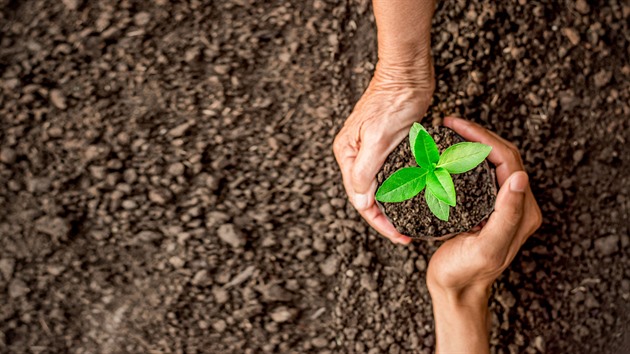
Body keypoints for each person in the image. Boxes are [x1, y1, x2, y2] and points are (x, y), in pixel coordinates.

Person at [332, 1, 542, 352]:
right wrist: (456, 292)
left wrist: (402, 73)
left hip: (435, 165)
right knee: (444, 196)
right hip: (437, 172)